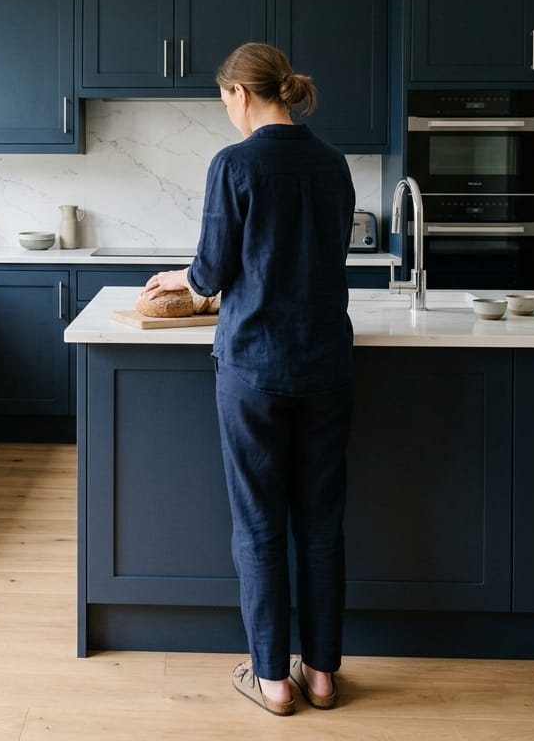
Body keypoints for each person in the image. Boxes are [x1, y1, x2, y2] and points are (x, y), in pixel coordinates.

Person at [139, 42, 355, 717]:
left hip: (254, 367)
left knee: (259, 523)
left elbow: (210, 272)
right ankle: (322, 675)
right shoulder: (333, 163)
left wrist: (180, 276)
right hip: (327, 364)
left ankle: (272, 682)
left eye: (224, 98)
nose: (227, 110)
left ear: (239, 93)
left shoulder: (233, 163)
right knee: (320, 524)